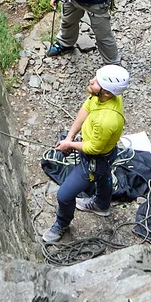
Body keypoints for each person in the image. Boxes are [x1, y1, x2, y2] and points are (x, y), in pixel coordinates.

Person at [41, 64, 130, 245]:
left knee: (64, 195)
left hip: (95, 160)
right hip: (105, 154)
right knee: (104, 177)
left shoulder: (108, 120)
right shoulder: (104, 96)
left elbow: (93, 149)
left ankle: (61, 224)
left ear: (106, 92)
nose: (92, 81)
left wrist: (70, 145)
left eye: (97, 81)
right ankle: (101, 205)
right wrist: (70, 136)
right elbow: (86, 108)